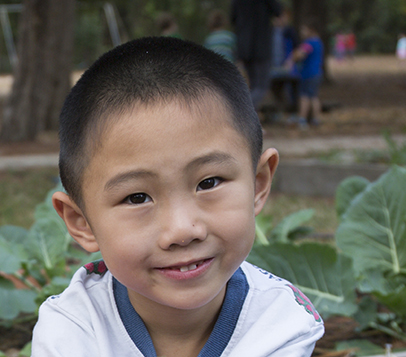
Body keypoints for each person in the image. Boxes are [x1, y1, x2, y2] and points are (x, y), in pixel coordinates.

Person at [32, 37, 324, 357]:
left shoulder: (279, 324)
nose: (182, 230)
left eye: (209, 182)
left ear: (258, 184)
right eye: (137, 197)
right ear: (82, 222)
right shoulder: (72, 331)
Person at [231, 0, 282, 109]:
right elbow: (278, 10)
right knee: (261, 86)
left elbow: (233, 18)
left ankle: (250, 121)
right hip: (261, 47)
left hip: (245, 47)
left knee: (254, 86)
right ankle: (241, 111)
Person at [292, 24, 325, 128]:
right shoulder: (319, 42)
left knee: (304, 96)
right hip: (317, 73)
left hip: (308, 74)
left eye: (304, 30)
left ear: (311, 30)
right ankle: (316, 119)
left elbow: (299, 54)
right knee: (314, 97)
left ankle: (302, 119)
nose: (302, 33)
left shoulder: (309, 43)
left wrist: (293, 56)